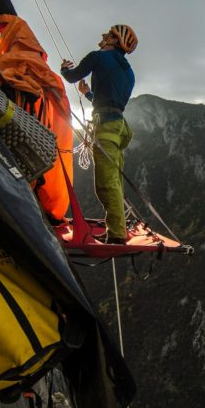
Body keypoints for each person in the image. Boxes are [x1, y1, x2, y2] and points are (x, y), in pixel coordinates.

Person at [60, 24, 138, 244]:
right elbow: (111, 101)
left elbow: (72, 76)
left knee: (106, 183)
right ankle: (117, 228)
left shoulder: (98, 57)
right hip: (120, 128)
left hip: (105, 127)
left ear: (115, 40)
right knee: (114, 180)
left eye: (109, 34)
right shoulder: (129, 73)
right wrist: (88, 94)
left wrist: (65, 69)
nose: (104, 36)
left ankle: (116, 235)